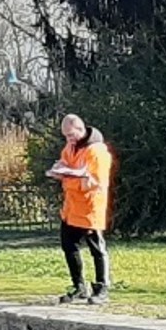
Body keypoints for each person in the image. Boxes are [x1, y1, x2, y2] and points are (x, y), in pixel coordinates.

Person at [46, 113, 113, 304]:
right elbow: (66, 164)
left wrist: (67, 179)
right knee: (69, 246)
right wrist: (59, 169)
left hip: (90, 207)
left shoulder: (97, 151)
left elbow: (94, 182)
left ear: (81, 129)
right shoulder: (71, 147)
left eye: (70, 135)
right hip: (71, 208)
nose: (68, 139)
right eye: (66, 136)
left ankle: (102, 288)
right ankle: (79, 287)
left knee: (97, 248)